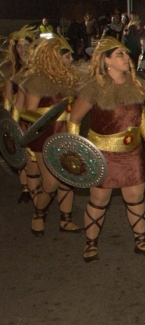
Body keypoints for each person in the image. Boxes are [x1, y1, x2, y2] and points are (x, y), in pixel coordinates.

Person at [67, 37, 145, 263]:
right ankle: (91, 243)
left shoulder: (136, 83)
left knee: (136, 197)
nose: (127, 58)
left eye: (127, 54)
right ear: (106, 60)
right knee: (99, 200)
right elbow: (74, 119)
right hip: (103, 153)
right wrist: (76, 151)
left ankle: (140, 240)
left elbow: (140, 113)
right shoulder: (93, 88)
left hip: (132, 151)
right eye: (120, 55)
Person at [17, 36, 83, 234]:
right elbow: (27, 112)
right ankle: (38, 214)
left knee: (66, 180)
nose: (70, 59)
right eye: (67, 55)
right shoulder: (37, 81)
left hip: (65, 135)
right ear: (53, 57)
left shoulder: (70, 78)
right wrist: (50, 115)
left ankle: (66, 220)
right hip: (44, 138)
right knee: (51, 182)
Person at [1, 25, 36, 203]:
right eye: (19, 46)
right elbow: (7, 96)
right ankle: (25, 187)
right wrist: (10, 121)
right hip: (19, 114)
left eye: (25, 45)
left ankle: (36, 182)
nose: (22, 49)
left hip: (36, 115)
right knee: (21, 150)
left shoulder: (38, 67)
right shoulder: (12, 70)